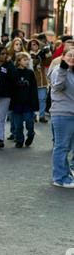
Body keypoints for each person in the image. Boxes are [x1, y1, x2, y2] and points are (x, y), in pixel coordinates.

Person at [48, 46, 74, 188]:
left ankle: (65, 174)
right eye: (69, 55)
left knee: (66, 147)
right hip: (62, 114)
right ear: (63, 56)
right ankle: (59, 178)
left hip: (71, 114)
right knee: (61, 146)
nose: (72, 58)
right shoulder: (59, 70)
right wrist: (63, 69)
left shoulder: (72, 72)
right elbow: (58, 85)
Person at [10, 52, 39, 148]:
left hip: (28, 102)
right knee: (18, 123)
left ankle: (31, 134)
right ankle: (19, 140)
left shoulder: (30, 73)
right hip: (17, 102)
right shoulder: (14, 72)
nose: (27, 62)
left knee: (29, 121)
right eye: (24, 60)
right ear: (18, 61)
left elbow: (33, 88)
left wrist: (34, 102)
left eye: (27, 60)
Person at [25, 38, 51, 122]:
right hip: (32, 80)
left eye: (36, 44)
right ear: (30, 46)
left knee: (42, 98)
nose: (36, 45)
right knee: (33, 99)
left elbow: (48, 62)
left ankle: (42, 115)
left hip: (42, 80)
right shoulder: (27, 55)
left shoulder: (41, 53)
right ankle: (33, 115)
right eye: (33, 44)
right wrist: (33, 61)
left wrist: (47, 53)